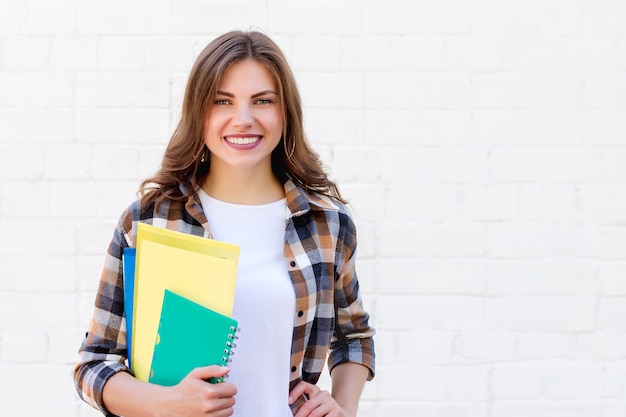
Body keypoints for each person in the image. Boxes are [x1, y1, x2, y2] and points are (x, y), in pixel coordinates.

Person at [73, 29, 375, 417]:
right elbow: (95, 363)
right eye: (222, 101)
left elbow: (354, 337)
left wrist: (344, 408)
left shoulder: (327, 224)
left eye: (263, 101)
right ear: (199, 112)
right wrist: (167, 403)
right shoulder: (148, 220)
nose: (243, 119)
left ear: (286, 112)